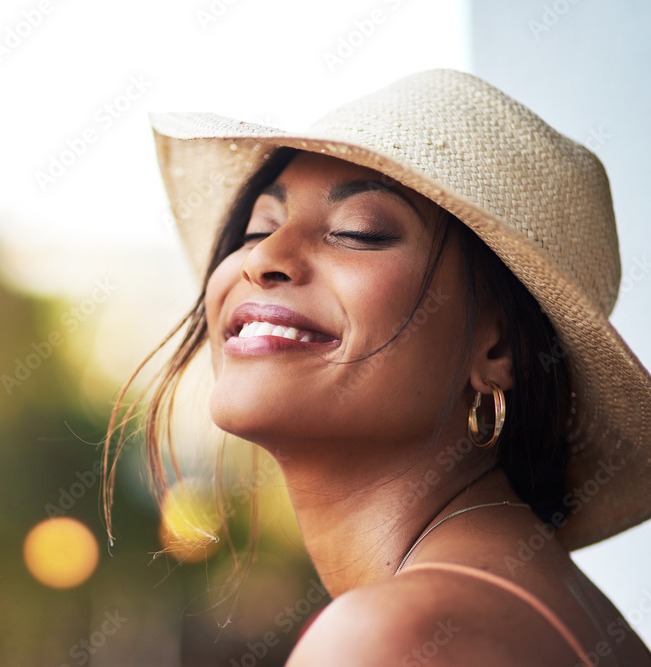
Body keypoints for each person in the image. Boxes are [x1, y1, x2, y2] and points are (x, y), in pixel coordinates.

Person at [103, 69, 651, 665]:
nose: (263, 257)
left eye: (356, 232)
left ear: (500, 352)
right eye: (259, 227)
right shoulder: (544, 607)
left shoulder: (393, 636)